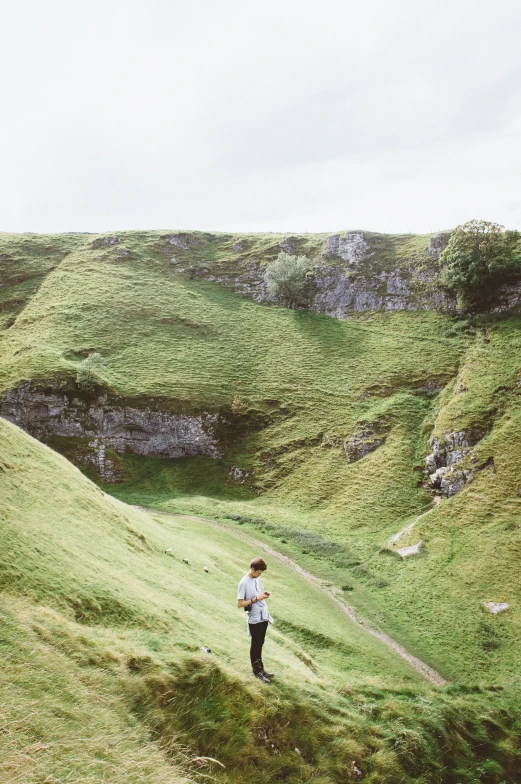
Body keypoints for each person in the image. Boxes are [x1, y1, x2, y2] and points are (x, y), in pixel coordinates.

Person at [237, 557, 275, 683]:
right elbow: (240, 603)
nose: (259, 575)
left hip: (263, 615)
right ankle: (256, 671)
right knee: (255, 644)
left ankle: (261, 669)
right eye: (258, 572)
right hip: (254, 617)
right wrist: (256, 599)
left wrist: (263, 595)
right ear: (252, 569)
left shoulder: (256, 579)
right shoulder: (243, 583)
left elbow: (257, 594)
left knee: (261, 643)